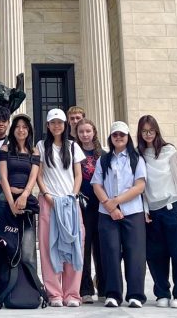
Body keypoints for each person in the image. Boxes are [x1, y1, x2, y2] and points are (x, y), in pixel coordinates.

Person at [136, 114, 177, 309]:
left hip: (171, 206)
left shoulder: (169, 151)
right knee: (155, 254)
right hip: (151, 210)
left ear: (157, 131)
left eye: (151, 130)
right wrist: (144, 209)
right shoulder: (139, 154)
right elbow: (140, 186)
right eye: (144, 131)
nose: (148, 134)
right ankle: (162, 292)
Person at [91, 121, 147, 309]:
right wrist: (110, 206)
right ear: (111, 137)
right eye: (115, 135)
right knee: (110, 252)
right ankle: (112, 293)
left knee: (135, 254)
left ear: (128, 137)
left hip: (132, 212)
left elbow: (139, 186)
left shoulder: (136, 158)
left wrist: (117, 202)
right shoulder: (104, 159)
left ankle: (136, 294)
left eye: (122, 135)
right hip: (107, 214)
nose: (119, 138)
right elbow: (96, 184)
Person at [36, 108, 85, 307]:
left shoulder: (73, 147)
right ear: (48, 125)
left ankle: (72, 293)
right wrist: (47, 195)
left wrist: (73, 195)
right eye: (53, 122)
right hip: (49, 202)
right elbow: (38, 174)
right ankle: (54, 293)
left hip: (70, 203)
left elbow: (78, 174)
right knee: (49, 247)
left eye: (60, 122)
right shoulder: (40, 146)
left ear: (65, 125)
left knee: (74, 245)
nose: (57, 126)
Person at [0, 113, 41, 307]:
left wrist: (23, 196)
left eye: (25, 127)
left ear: (29, 131)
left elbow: (33, 177)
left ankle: (30, 292)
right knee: (6, 247)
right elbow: (3, 178)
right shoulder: (5, 148)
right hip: (6, 201)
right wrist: (12, 202)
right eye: (18, 127)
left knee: (28, 250)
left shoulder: (34, 151)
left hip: (26, 201)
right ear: (13, 130)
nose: (21, 130)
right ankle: (5, 291)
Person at [74, 119, 103, 304]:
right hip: (80, 206)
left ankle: (104, 286)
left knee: (101, 249)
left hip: (100, 207)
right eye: (81, 132)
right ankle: (84, 288)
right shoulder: (73, 152)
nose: (85, 135)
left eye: (88, 131)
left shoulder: (103, 154)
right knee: (83, 249)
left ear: (94, 132)